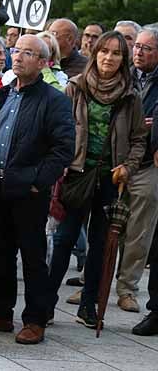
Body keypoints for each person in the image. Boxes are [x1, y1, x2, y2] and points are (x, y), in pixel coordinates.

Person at [0, 35, 75, 345]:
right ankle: (0, 312)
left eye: (28, 53)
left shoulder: (54, 100)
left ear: (43, 63)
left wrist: (39, 181)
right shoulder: (1, 96)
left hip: (29, 191)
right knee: (0, 254)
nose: (19, 57)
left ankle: (35, 319)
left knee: (33, 255)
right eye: (17, 51)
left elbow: (64, 148)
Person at [47, 30, 146, 329]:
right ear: (95, 54)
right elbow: (61, 130)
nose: (109, 58)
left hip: (111, 179)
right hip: (77, 174)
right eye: (104, 51)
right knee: (64, 239)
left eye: (116, 53)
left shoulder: (131, 95)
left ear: (123, 59)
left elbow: (140, 138)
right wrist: (62, 162)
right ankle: (46, 302)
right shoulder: (75, 87)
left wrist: (128, 166)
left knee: (101, 245)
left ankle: (88, 304)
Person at [117, 28, 158, 314]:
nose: (139, 52)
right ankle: (95, 283)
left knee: (138, 231)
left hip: (148, 164)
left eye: (147, 48)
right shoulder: (122, 76)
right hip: (118, 163)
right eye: (137, 47)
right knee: (108, 227)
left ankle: (127, 288)